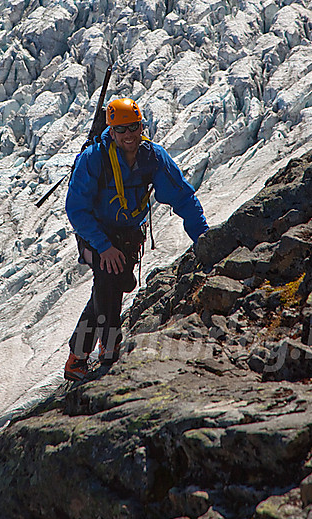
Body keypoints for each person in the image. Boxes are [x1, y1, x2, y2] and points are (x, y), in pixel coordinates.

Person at [64, 97, 208, 381]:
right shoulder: (95, 159)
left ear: (142, 126)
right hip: (97, 233)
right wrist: (103, 246)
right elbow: (76, 209)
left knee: (112, 285)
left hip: (129, 236)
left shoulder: (152, 157)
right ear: (112, 131)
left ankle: (77, 358)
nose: (129, 134)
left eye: (134, 127)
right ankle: (107, 348)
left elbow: (183, 197)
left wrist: (203, 237)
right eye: (121, 129)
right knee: (108, 282)